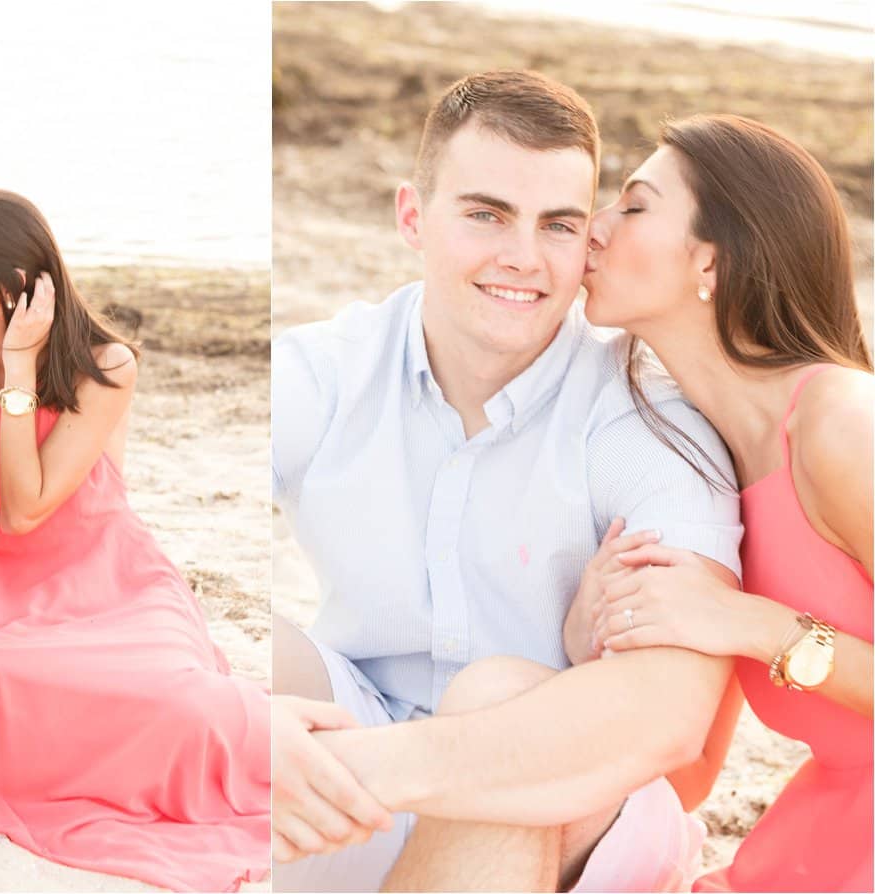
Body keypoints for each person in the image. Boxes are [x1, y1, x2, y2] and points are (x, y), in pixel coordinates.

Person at [272, 70, 747, 892]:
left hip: (561, 803)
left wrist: (385, 767)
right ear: (413, 217)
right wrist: (251, 724)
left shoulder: (645, 419)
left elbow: (672, 712)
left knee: (499, 699)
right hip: (347, 765)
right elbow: (150, 563)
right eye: (486, 214)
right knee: (263, 664)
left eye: (558, 224)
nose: (523, 259)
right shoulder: (322, 373)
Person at [0, 189, 271, 893]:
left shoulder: (107, 366)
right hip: (24, 605)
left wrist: (23, 367)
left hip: (120, 586)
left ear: (10, 284)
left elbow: (27, 510)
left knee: (183, 707)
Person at [582, 113, 873, 892]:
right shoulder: (696, 460)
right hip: (823, 834)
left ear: (711, 260)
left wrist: (753, 624)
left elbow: (736, 626)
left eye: (633, 206)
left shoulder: (842, 427)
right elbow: (689, 769)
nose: (592, 228)